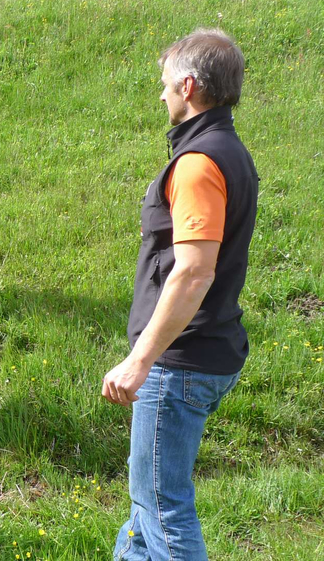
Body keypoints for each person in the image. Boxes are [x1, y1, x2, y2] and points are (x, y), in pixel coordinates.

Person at [102, 29, 258, 560]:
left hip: (179, 364)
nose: (162, 93)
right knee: (144, 512)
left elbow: (193, 273)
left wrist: (140, 360)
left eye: (167, 84)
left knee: (162, 509)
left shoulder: (198, 163)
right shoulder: (229, 151)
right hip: (201, 354)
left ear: (188, 86)